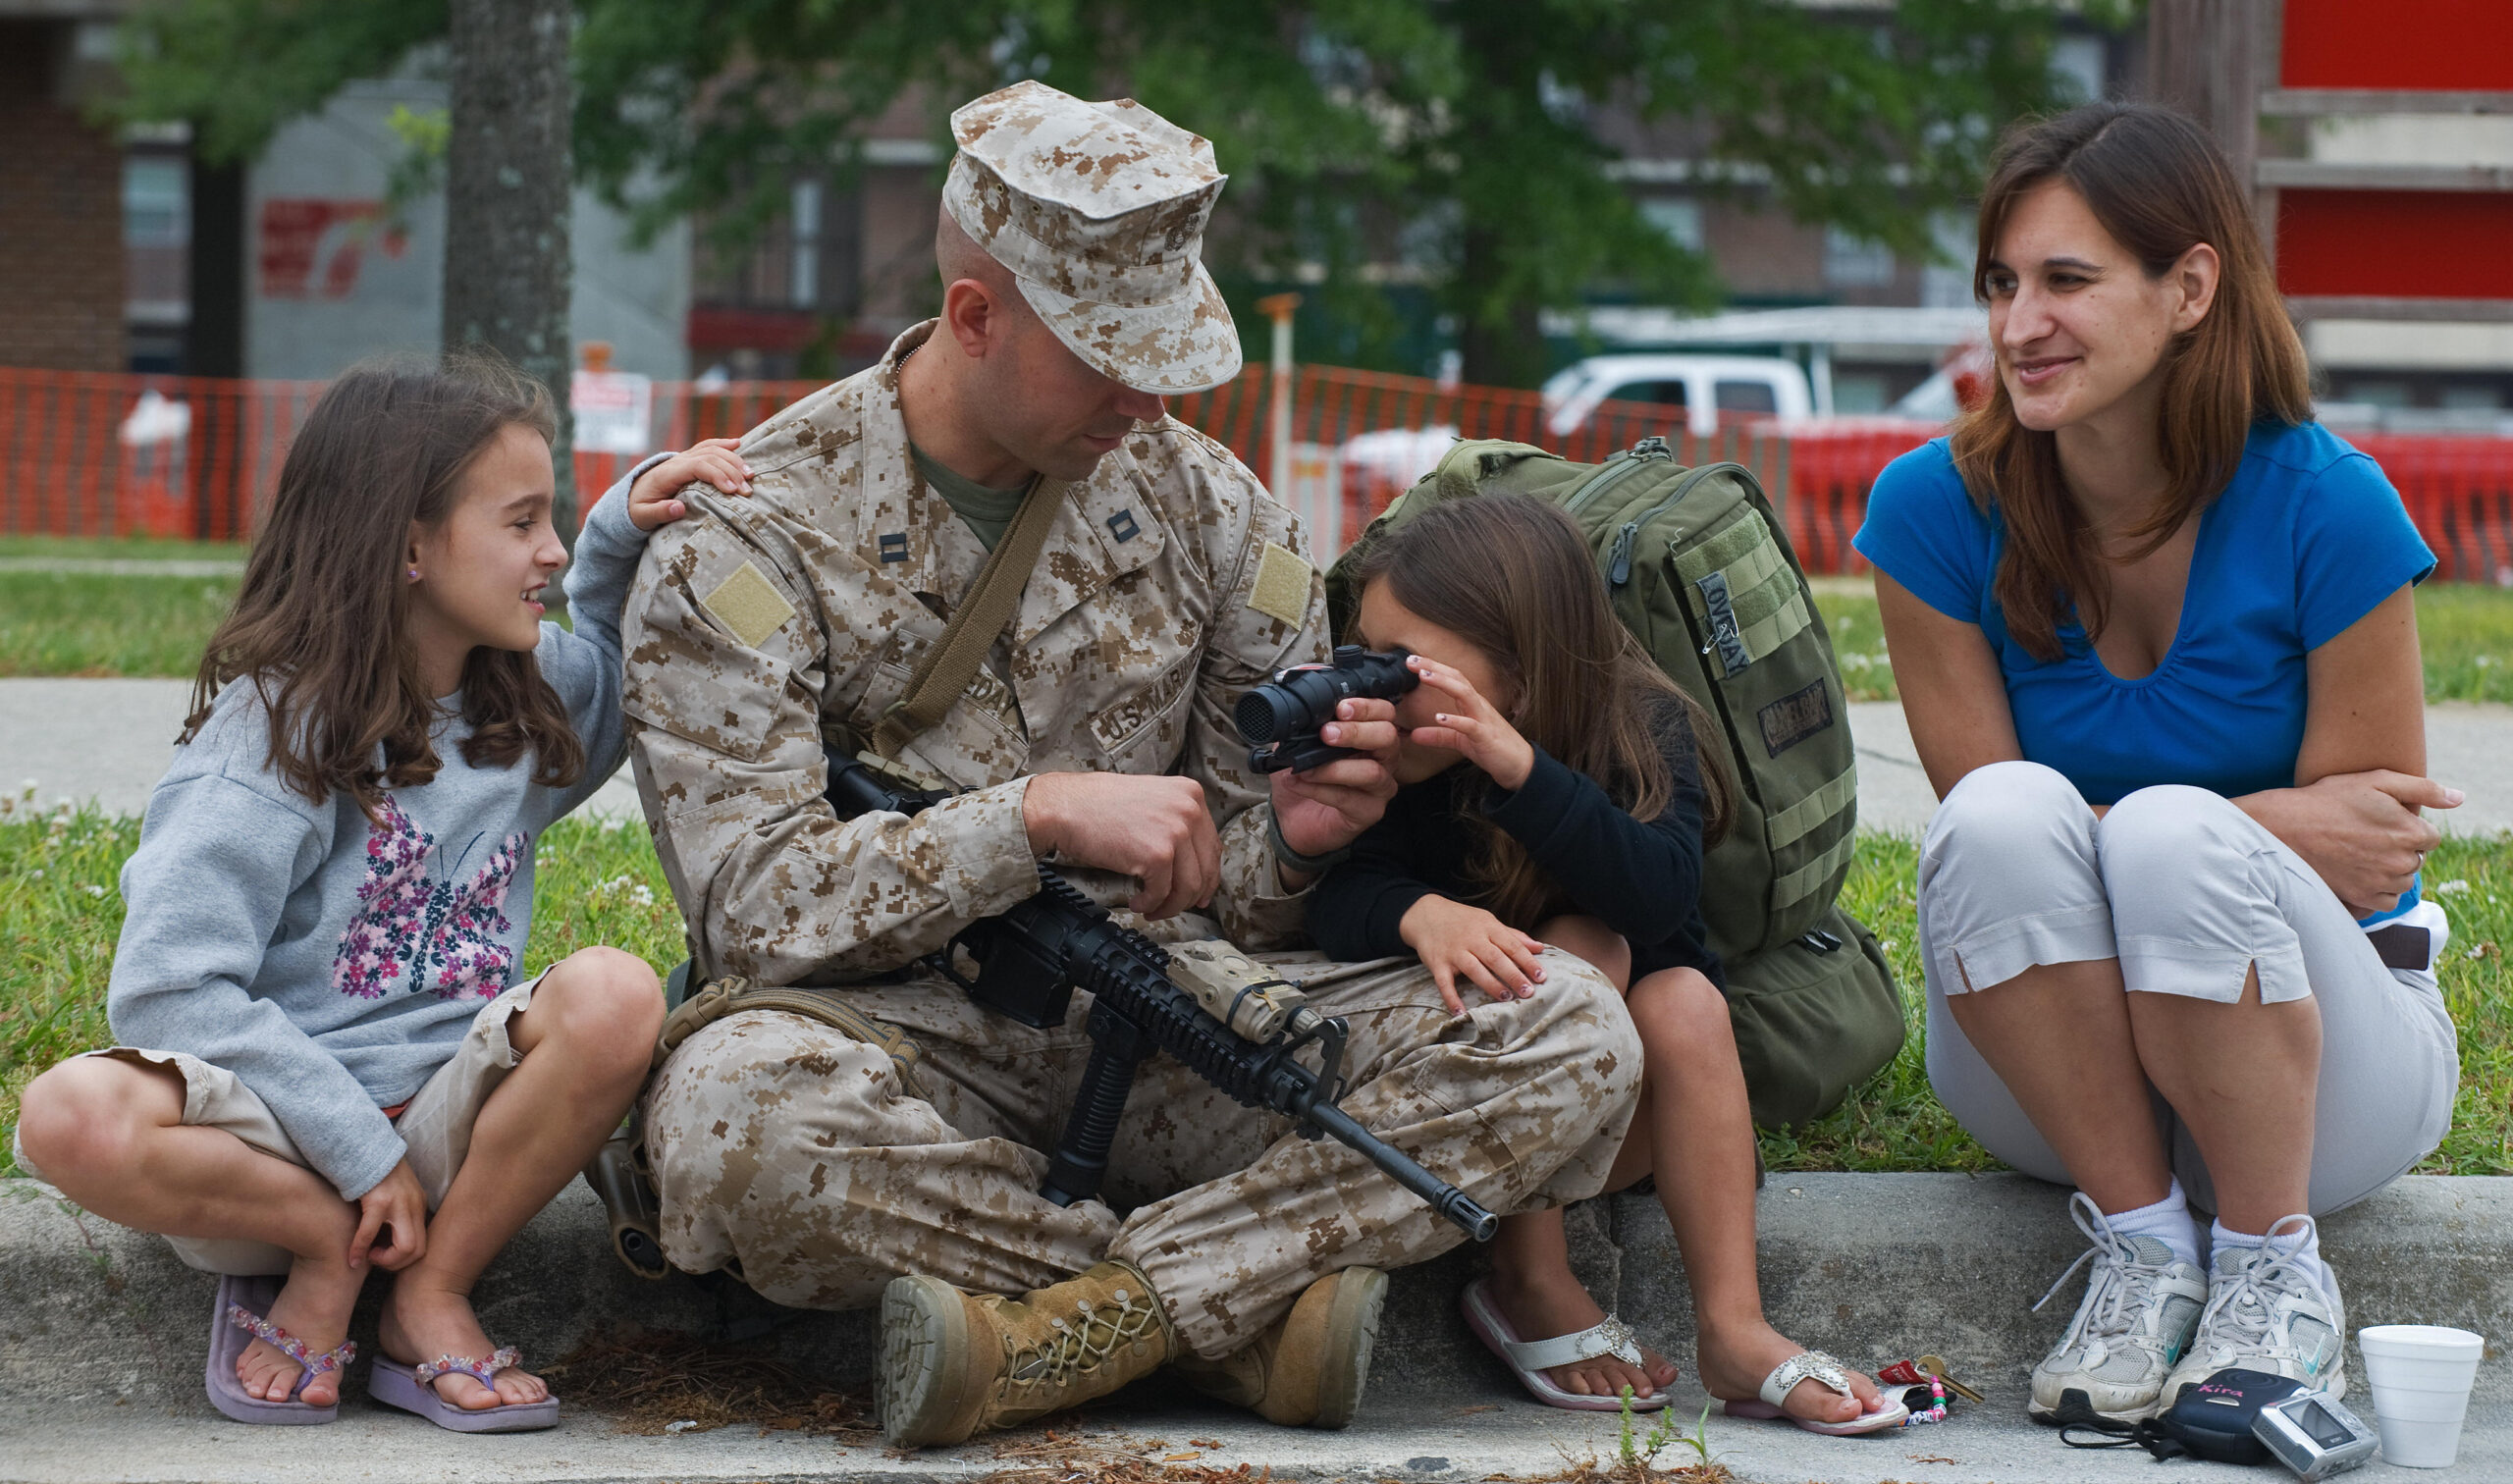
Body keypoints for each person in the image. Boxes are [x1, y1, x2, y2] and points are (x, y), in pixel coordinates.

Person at [618, 80, 1644, 1449]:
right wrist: (1032, 818)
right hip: (903, 1051)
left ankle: (1085, 1325)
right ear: (974, 318)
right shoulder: (751, 537)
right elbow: (753, 908)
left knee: (1569, 1028)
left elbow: (1248, 896)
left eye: (1168, 350)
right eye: (1108, 355)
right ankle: (1234, 1319)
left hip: (1173, 1031)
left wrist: (1301, 841)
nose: (1150, 395)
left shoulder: (1214, 513)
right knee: (733, 1120)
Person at [1855, 101, 2461, 1426]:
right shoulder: (1930, 510)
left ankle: (2274, 1271)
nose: (2020, 325)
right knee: (2008, 816)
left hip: (2328, 1084)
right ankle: (2140, 1250)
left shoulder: (2328, 503)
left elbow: (2370, 859)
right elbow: (1998, 843)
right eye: (2002, 284)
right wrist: (2268, 823)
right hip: (2054, 1088)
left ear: (2190, 288)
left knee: (2168, 832)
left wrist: (2190, 829)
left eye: (2067, 281)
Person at [10, 355, 745, 1430]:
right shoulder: (265, 745)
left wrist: (616, 533)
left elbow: (617, 666)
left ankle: (430, 1291)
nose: (548, 549)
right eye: (522, 522)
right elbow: (168, 991)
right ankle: (325, 1249)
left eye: (553, 520)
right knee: (68, 1115)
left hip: (454, 1139)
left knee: (616, 994)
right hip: (275, 1149)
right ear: (408, 547)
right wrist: (357, 1161)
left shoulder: (519, 697)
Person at [1307, 495, 1903, 1435]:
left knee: (1669, 988)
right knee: (1581, 953)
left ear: (1521, 674)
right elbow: (1329, 900)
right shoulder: (1389, 759)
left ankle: (1734, 1329)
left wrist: (1520, 772)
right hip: (1462, 1115)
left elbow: (1659, 899)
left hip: (1625, 1121)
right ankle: (1530, 1277)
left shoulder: (1639, 724)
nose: (1371, 688)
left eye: (1402, 666)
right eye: (1360, 652)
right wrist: (1420, 912)